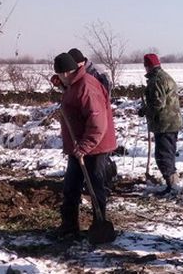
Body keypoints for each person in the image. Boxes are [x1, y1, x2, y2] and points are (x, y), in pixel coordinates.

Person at [53, 52, 117, 239]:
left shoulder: (87, 87)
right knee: (71, 186)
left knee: (95, 187)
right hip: (79, 145)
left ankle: (99, 224)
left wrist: (84, 147)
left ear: (66, 72)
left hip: (95, 147)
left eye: (60, 75)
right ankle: (69, 226)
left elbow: (98, 124)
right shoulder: (73, 84)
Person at [139, 53, 183, 194]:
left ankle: (173, 187)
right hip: (171, 121)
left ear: (147, 66)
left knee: (163, 155)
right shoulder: (165, 77)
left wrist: (145, 110)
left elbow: (158, 103)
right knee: (168, 154)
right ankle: (173, 184)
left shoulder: (156, 80)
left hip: (165, 124)